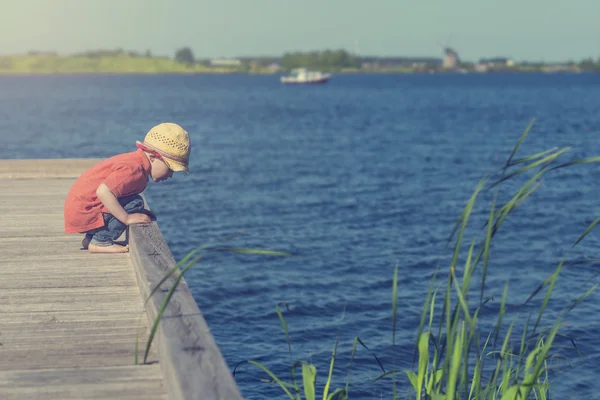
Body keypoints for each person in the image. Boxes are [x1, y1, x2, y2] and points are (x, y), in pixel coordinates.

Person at [64, 122, 191, 253]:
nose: (170, 175)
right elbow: (103, 192)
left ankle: (90, 238)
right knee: (135, 203)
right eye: (170, 169)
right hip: (84, 212)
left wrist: (139, 212)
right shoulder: (133, 169)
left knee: (134, 204)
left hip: (81, 211)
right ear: (153, 157)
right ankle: (101, 241)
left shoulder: (135, 162)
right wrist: (127, 217)